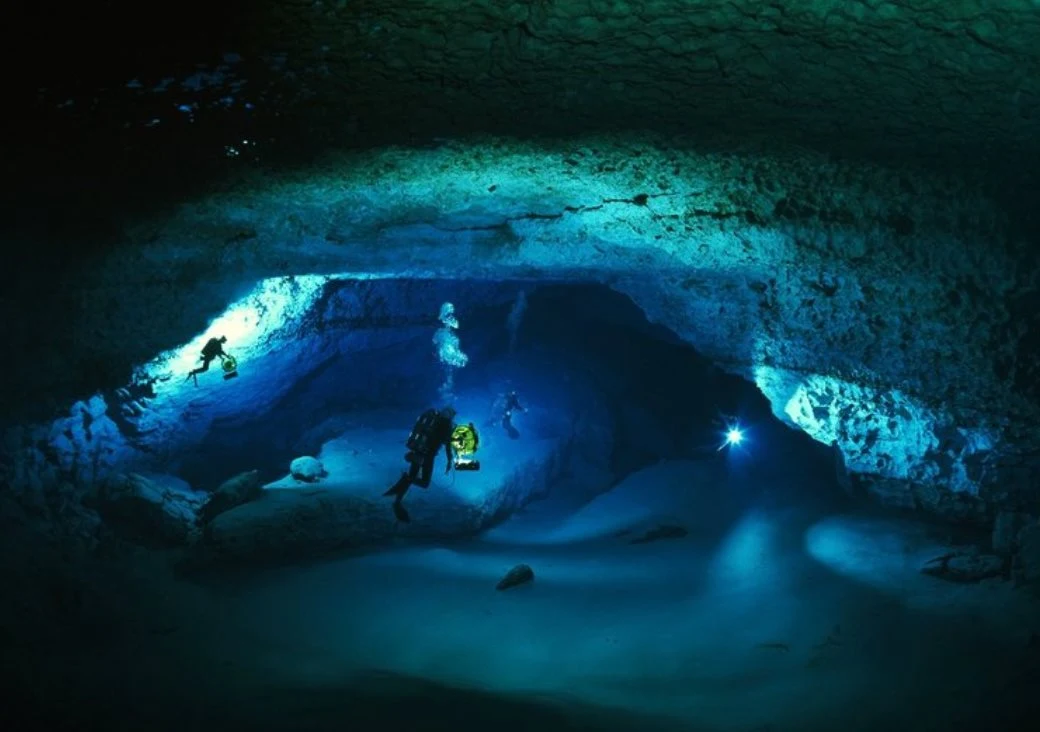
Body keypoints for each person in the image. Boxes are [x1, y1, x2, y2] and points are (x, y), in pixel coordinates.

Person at [384, 406, 457, 523]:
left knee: (412, 476)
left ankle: (397, 501)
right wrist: (449, 461)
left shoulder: (434, 420)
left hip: (418, 450)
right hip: (428, 456)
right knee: (424, 482)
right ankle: (403, 485)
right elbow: (447, 445)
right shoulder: (447, 426)